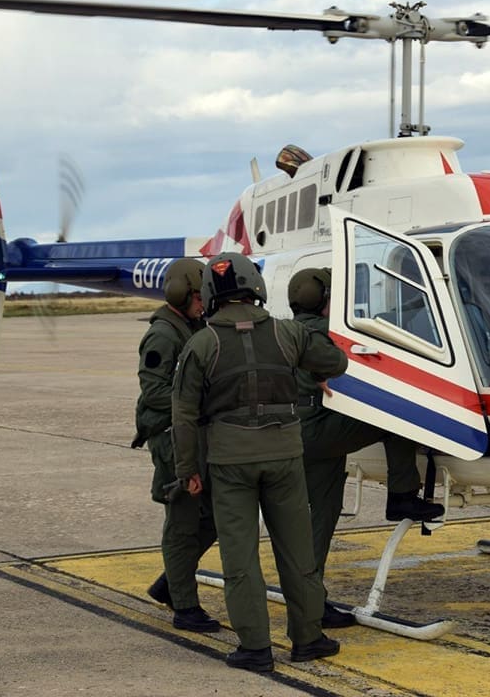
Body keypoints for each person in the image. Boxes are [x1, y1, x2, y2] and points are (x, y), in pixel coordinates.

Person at [172, 253, 343, 673]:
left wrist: (187, 470)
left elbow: (184, 415)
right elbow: (335, 362)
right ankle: (308, 638)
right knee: (297, 550)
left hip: (230, 462)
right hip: (285, 456)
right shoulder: (288, 332)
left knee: (240, 556)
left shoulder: (202, 344)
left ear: (211, 293)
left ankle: (255, 648)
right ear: (255, 285)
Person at [287, 267, 445, 629]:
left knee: (319, 517)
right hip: (318, 431)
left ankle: (311, 601)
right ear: (325, 300)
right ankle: (402, 494)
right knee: (396, 416)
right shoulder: (326, 335)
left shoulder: (283, 331)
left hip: (291, 433)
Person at [132, 257, 220, 633]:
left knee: (214, 517)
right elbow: (153, 391)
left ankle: (171, 582)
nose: (203, 304)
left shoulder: (194, 327)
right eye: (199, 296)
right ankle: (184, 605)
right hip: (171, 436)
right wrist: (198, 398)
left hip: (194, 433)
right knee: (183, 520)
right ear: (181, 293)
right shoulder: (163, 335)